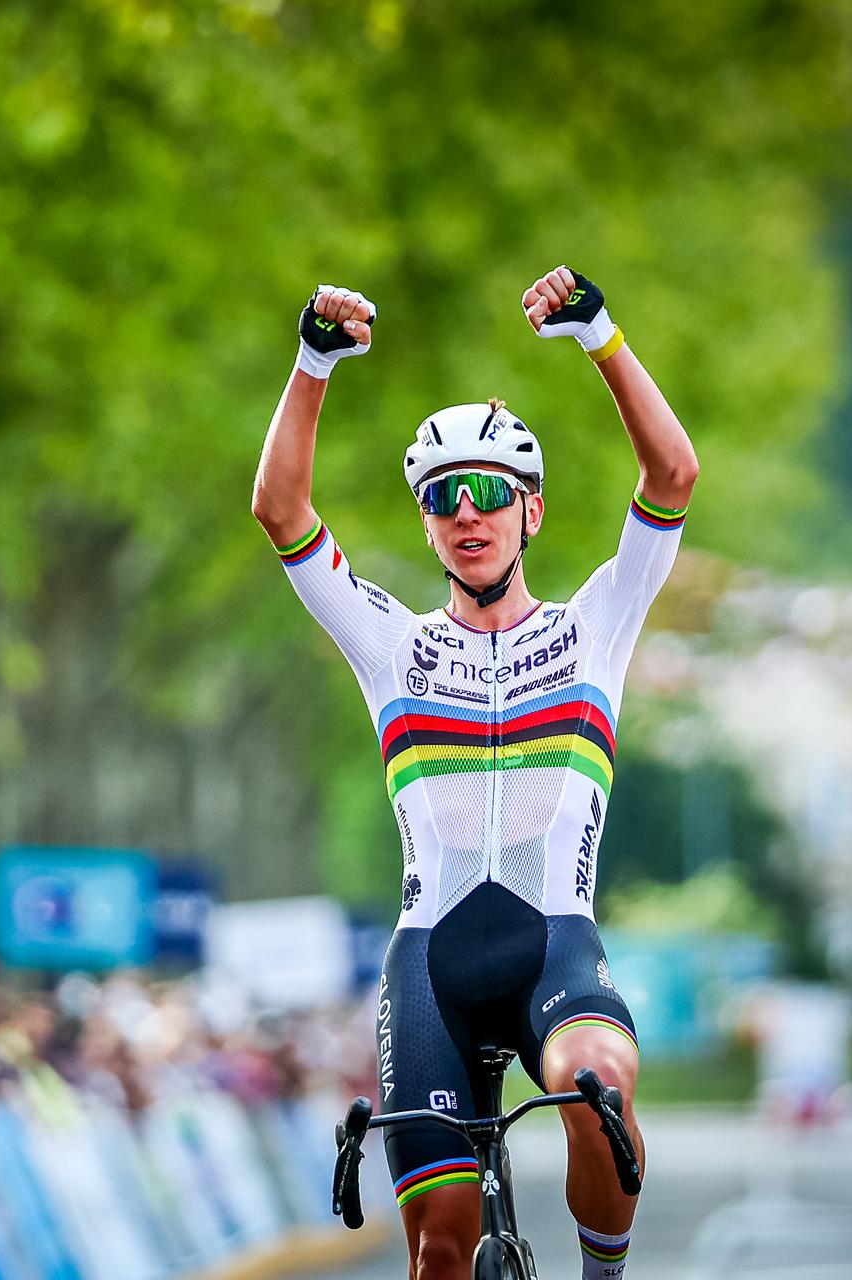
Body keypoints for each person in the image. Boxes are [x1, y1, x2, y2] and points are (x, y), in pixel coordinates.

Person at [252, 267, 697, 1279]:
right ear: (425, 523)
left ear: (530, 510)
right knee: (442, 1252)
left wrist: (603, 337)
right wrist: (314, 358)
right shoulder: (393, 647)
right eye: (443, 497)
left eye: (490, 491)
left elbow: (672, 477)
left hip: (554, 949)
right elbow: (279, 507)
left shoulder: (595, 625)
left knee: (601, 1086)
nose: (468, 512)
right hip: (431, 969)